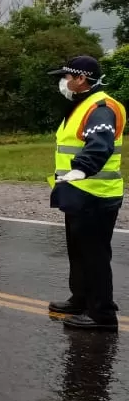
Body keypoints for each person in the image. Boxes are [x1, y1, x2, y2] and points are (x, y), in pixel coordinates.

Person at [46, 55, 124, 331]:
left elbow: (100, 145)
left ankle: (102, 314)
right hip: (78, 191)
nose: (63, 82)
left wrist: (81, 169)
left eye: (67, 77)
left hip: (96, 193)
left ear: (81, 79)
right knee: (78, 251)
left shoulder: (101, 108)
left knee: (94, 255)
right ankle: (80, 299)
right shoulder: (82, 105)